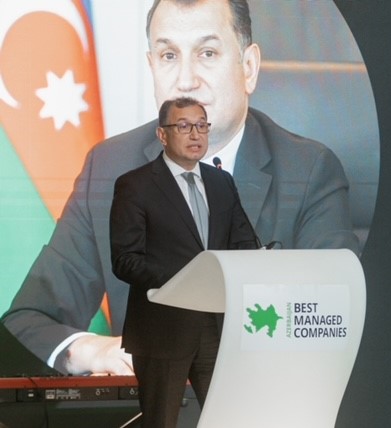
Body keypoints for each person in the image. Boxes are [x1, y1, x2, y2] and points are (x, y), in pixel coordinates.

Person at [2, 0, 358, 376]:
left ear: (249, 68)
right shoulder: (109, 168)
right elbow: (27, 321)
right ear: (152, 66)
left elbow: (334, 319)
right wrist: (91, 352)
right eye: (169, 55)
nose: (186, 80)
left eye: (207, 53)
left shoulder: (309, 171)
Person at [111, 97, 255, 427]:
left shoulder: (221, 182)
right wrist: (188, 280)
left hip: (217, 328)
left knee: (229, 419)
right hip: (163, 330)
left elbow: (244, 242)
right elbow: (125, 260)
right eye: (184, 126)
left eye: (202, 125)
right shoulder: (136, 185)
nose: (195, 134)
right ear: (162, 135)